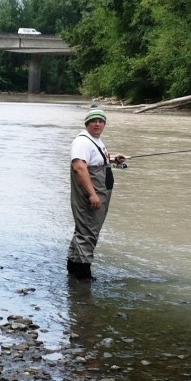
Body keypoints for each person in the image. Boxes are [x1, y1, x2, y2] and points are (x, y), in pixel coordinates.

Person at [67, 107, 125, 280]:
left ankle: (73, 272)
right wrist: (92, 194)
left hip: (99, 194)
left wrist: (113, 159)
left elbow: (94, 160)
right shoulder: (82, 142)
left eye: (101, 121)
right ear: (87, 124)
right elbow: (79, 167)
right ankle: (83, 278)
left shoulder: (95, 140)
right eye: (94, 121)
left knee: (83, 231)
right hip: (90, 197)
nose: (98, 124)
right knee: (88, 233)